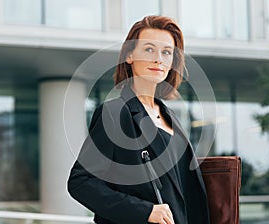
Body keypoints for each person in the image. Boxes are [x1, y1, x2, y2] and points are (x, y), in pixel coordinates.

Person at [67, 15, 210, 224]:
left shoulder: (171, 118)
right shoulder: (114, 113)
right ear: (129, 55)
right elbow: (81, 183)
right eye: (149, 49)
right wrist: (145, 211)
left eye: (166, 52)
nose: (158, 59)